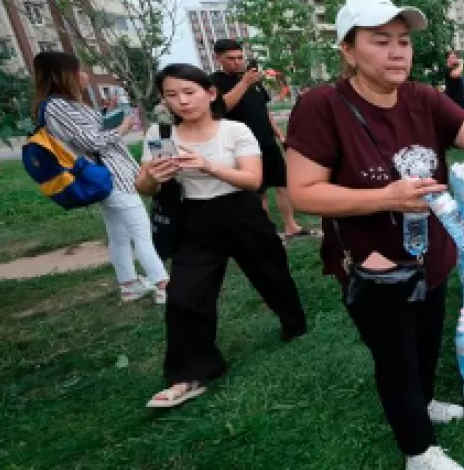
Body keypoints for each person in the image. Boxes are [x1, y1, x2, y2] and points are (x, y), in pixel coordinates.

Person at [283, 0, 464, 470]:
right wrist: (384, 197)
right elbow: (305, 193)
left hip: (430, 251)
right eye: (380, 41)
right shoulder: (321, 107)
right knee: (395, 358)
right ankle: (418, 450)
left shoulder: (421, 97)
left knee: (426, 340)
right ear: (348, 50)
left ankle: (425, 401)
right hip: (375, 265)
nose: (397, 52)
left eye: (404, 41)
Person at [136, 63, 308, 409]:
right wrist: (154, 176)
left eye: (189, 92)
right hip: (192, 219)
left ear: (210, 93)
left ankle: (294, 323)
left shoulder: (233, 131)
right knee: (185, 295)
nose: (181, 101)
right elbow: (143, 186)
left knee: (272, 275)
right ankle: (189, 373)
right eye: (172, 95)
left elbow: (253, 181)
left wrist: (208, 165)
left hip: (240, 213)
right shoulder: (162, 134)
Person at [33, 51, 169, 304]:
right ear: (64, 75)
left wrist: (109, 117)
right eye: (79, 70)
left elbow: (92, 132)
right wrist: (122, 128)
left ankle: (129, 285)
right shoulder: (57, 106)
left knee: (119, 234)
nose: (85, 75)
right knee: (141, 231)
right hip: (109, 176)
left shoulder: (71, 104)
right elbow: (91, 141)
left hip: (107, 175)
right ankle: (163, 284)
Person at [209, 39, 315, 241]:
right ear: (218, 58)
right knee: (259, 192)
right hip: (243, 148)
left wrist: (279, 134)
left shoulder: (253, 80)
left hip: (267, 142)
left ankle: (291, 226)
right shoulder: (215, 82)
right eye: (231, 59)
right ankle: (266, 232)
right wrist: (244, 83)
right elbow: (222, 108)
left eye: (240, 58)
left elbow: (263, 110)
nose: (237, 62)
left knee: (283, 184)